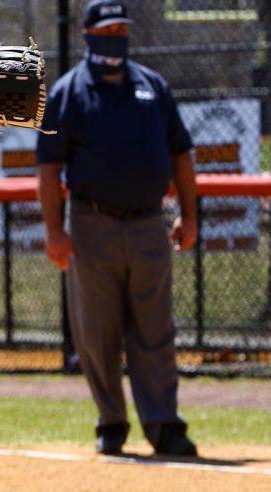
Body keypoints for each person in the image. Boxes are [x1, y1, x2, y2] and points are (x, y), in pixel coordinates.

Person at [35, 0, 200, 457]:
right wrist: (54, 231)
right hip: (92, 225)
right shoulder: (68, 93)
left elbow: (181, 154)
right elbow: (49, 170)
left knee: (155, 329)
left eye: (121, 29)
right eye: (107, 31)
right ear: (88, 35)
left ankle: (164, 425)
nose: (116, 38)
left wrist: (189, 215)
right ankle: (111, 422)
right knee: (97, 331)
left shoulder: (152, 86)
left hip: (149, 223)